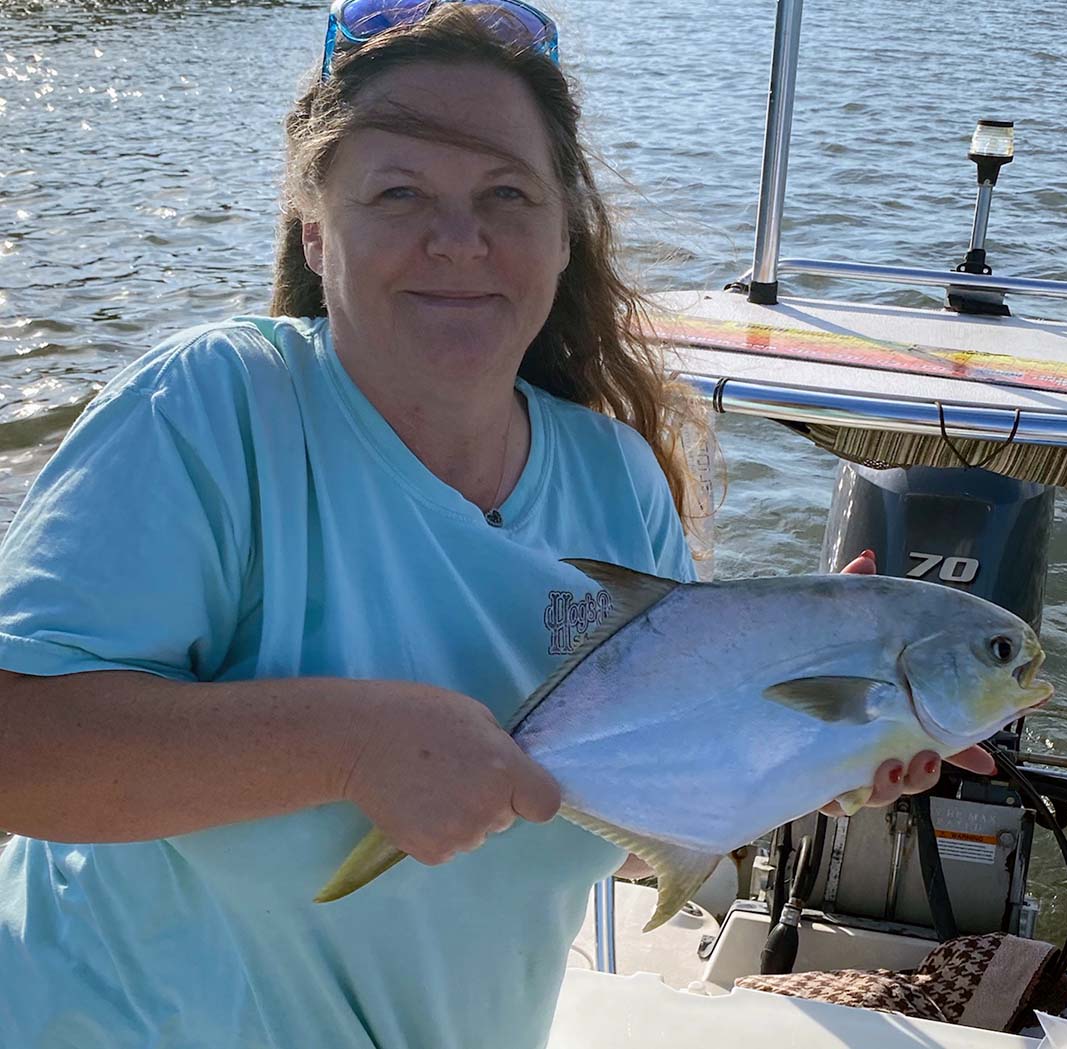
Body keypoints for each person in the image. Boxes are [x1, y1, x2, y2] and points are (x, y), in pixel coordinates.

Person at [0, 3, 993, 1046]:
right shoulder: (212, 410)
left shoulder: (616, 480)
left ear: (563, 232)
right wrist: (350, 746)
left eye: (505, 194)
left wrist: (803, 753)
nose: (459, 240)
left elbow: (597, 816)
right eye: (399, 192)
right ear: (313, 227)